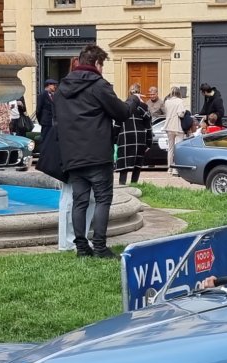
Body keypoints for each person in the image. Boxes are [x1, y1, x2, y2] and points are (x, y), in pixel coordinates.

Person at [54, 44, 130, 259]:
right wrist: (133, 101)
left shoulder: (61, 88)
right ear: (96, 63)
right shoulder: (99, 85)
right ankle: (99, 247)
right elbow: (121, 112)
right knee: (103, 199)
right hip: (97, 154)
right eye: (102, 64)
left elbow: (56, 121)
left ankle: (81, 247)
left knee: (79, 201)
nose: (102, 69)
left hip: (72, 155)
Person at [115, 84, 151, 186]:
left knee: (124, 163)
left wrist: (114, 138)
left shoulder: (122, 105)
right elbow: (148, 126)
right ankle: (134, 185)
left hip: (124, 137)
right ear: (139, 93)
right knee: (137, 164)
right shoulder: (143, 107)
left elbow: (117, 124)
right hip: (139, 138)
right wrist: (149, 142)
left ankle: (122, 184)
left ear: (129, 93)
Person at [163, 86, 190, 175]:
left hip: (169, 126)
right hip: (178, 127)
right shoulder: (180, 101)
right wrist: (184, 112)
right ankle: (176, 169)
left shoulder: (167, 102)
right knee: (178, 148)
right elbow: (180, 114)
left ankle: (169, 168)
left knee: (170, 148)